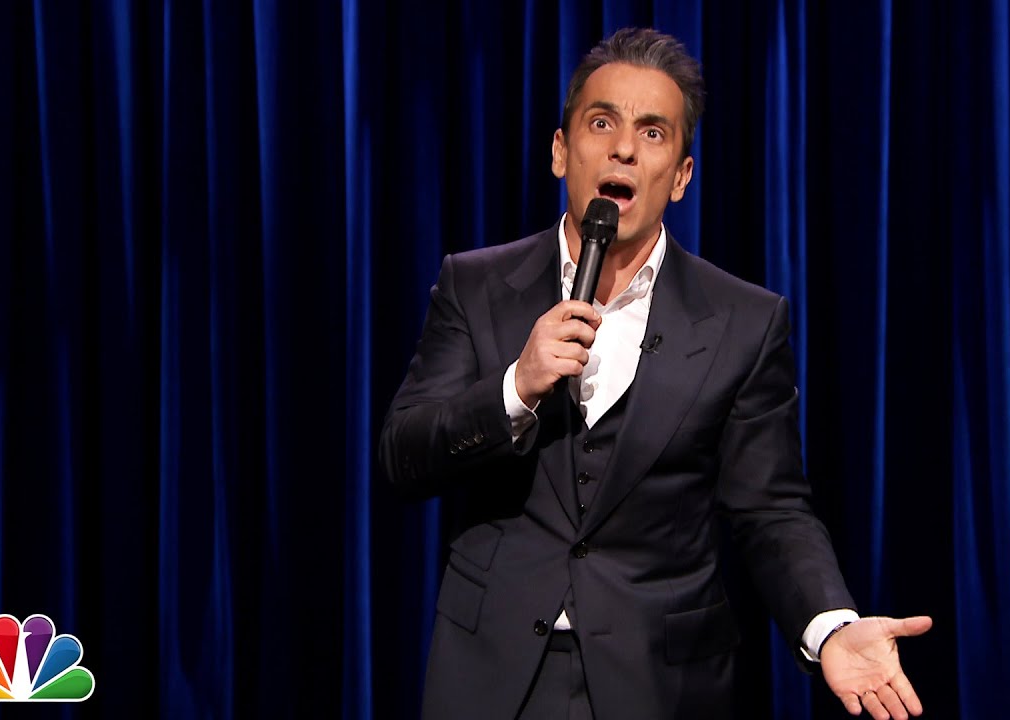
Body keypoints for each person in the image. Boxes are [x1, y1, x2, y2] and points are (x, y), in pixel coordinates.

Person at [380, 27, 931, 720]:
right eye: (601, 123)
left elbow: (771, 511)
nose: (623, 149)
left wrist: (829, 626)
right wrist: (514, 388)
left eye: (652, 132)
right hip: (490, 678)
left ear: (680, 176)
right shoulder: (476, 285)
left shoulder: (743, 320)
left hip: (660, 684)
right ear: (560, 150)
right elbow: (403, 457)